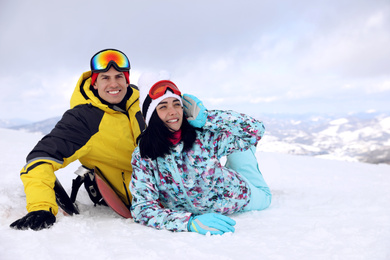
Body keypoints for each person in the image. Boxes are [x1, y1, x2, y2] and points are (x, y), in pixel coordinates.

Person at [10, 49, 145, 231]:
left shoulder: (144, 101)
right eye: (105, 77)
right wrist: (41, 207)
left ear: (127, 80)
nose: (114, 83)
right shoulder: (84, 119)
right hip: (141, 199)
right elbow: (39, 159)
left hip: (179, 185)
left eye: (119, 76)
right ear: (94, 83)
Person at [130, 79, 272, 235]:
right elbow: (142, 209)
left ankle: (244, 158)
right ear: (150, 116)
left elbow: (256, 130)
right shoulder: (145, 155)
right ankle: (234, 162)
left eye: (176, 104)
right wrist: (188, 222)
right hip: (216, 181)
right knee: (235, 147)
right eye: (163, 106)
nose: (173, 111)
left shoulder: (202, 137)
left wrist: (208, 118)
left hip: (241, 193)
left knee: (265, 197)